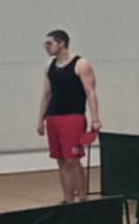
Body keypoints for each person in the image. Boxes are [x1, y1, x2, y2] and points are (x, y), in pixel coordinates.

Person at [37, 29, 100, 204]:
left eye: (49, 43)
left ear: (62, 43)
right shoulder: (49, 66)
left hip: (73, 117)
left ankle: (83, 200)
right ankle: (68, 200)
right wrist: (40, 120)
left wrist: (95, 119)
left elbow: (90, 92)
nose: (46, 47)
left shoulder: (81, 64)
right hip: (53, 118)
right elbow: (46, 94)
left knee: (72, 160)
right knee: (61, 161)